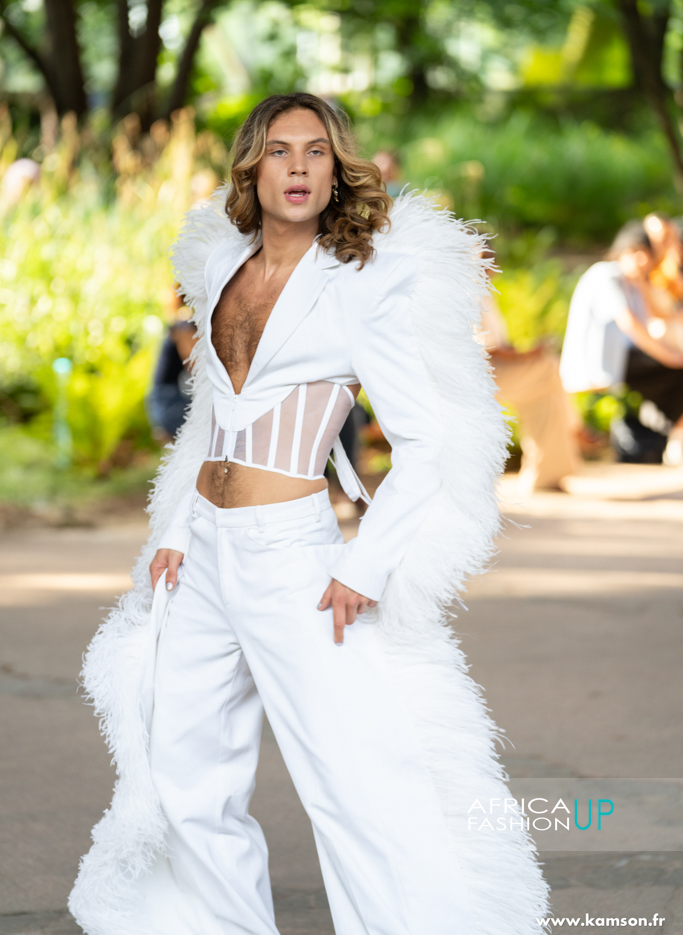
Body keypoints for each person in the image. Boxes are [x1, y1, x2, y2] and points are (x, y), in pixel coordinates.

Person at [69, 93, 548, 935]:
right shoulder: (221, 268)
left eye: (316, 151)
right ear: (251, 167)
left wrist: (363, 565)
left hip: (292, 556)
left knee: (353, 781)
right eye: (280, 150)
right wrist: (176, 531)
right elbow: (211, 415)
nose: (297, 166)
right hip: (202, 551)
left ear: (335, 172)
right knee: (184, 776)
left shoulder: (361, 285)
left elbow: (425, 444)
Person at [560, 221, 683, 464]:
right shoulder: (606, 274)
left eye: (645, 254)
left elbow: (651, 319)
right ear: (622, 249)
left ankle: (670, 436)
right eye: (635, 252)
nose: (641, 260)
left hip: (624, 358)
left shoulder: (632, 282)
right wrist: (671, 357)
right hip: (600, 359)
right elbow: (630, 324)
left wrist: (642, 283)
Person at [478, 253, 580, 493]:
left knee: (543, 392)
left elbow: (498, 344)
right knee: (548, 368)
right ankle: (576, 427)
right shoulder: (464, 289)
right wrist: (526, 355)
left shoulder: (483, 291)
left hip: (492, 368)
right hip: (477, 375)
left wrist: (525, 352)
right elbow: (483, 345)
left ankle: (546, 474)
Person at [148, 297, 198, 441]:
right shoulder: (183, 325)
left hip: (168, 399)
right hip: (169, 403)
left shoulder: (182, 322)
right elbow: (196, 365)